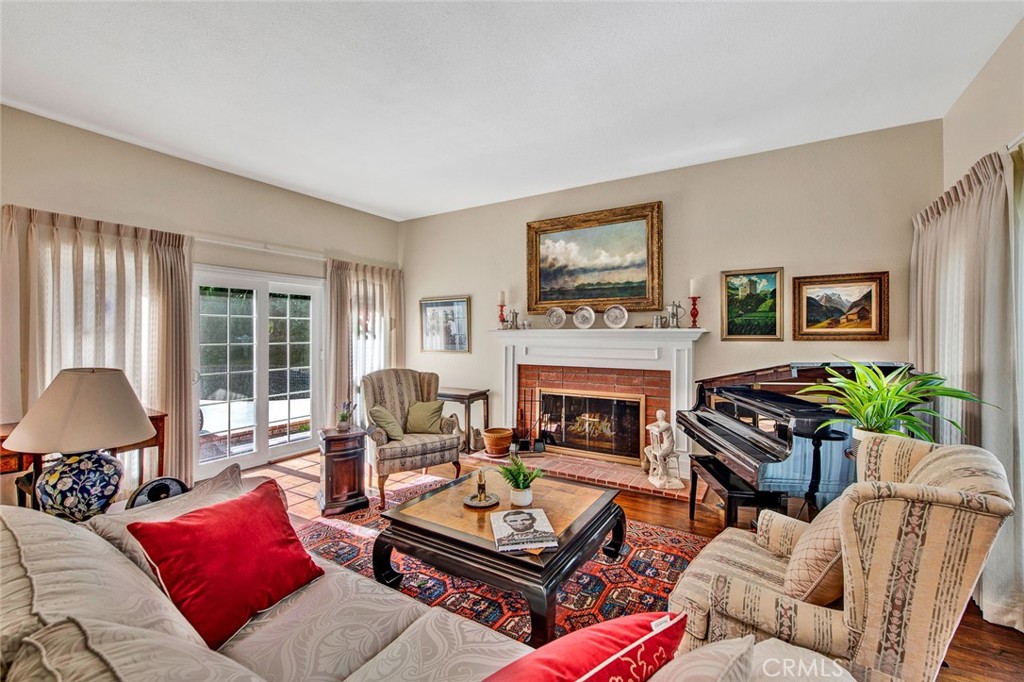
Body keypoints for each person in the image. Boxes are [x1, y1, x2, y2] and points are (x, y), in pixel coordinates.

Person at [644, 409, 683, 489]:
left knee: (660, 456)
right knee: (647, 449)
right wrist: (653, 427)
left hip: (669, 446)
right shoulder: (659, 422)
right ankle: (657, 466)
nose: (657, 416)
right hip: (663, 445)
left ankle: (666, 475)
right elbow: (647, 426)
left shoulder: (666, 425)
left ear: (659, 416)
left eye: (657, 415)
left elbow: (658, 430)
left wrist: (653, 428)